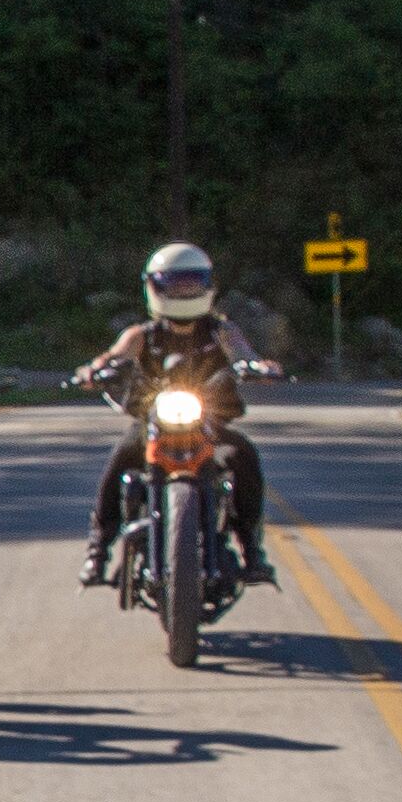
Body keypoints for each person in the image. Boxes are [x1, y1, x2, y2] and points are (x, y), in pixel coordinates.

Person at [74, 241, 278, 589]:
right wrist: (94, 370)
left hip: (208, 426)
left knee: (243, 456)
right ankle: (98, 550)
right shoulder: (142, 336)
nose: (184, 291)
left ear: (207, 286)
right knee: (121, 457)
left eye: (192, 283)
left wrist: (259, 366)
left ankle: (252, 550)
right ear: (155, 287)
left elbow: (243, 353)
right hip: (154, 426)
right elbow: (114, 355)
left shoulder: (222, 332)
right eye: (175, 284)